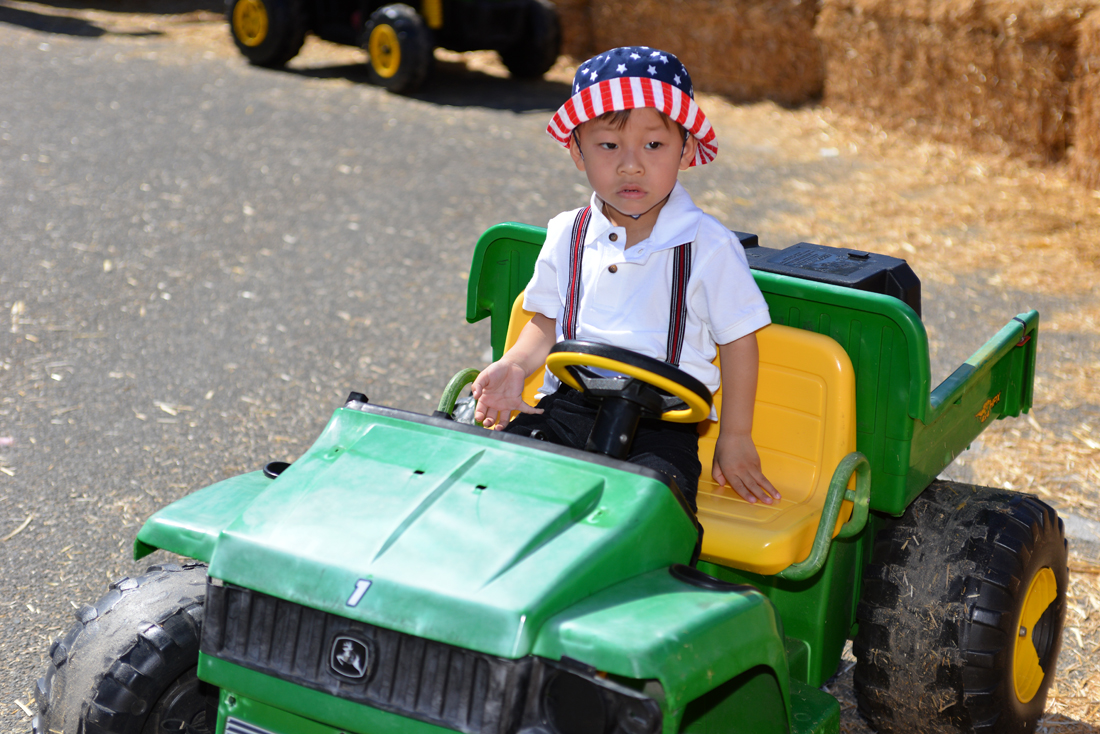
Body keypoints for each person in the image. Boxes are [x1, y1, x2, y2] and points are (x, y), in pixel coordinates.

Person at [472, 46, 778, 512]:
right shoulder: (566, 233)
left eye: (653, 145)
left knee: (653, 513)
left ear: (687, 150)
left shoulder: (708, 247)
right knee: (495, 485)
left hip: (661, 426)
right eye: (608, 145)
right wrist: (515, 366)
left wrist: (734, 436)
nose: (630, 165)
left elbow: (739, 342)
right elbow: (546, 323)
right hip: (566, 405)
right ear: (577, 151)